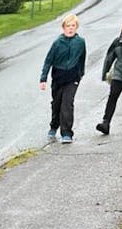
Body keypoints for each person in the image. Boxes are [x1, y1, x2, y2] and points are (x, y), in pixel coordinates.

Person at [39, 14, 87, 143]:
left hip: (72, 78)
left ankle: (67, 133)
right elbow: (48, 61)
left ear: (76, 27)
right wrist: (43, 78)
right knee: (57, 104)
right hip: (58, 77)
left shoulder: (80, 42)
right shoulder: (57, 43)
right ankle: (54, 125)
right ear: (63, 28)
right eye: (68, 26)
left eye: (73, 26)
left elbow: (82, 58)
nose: (70, 28)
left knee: (67, 104)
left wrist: (80, 74)